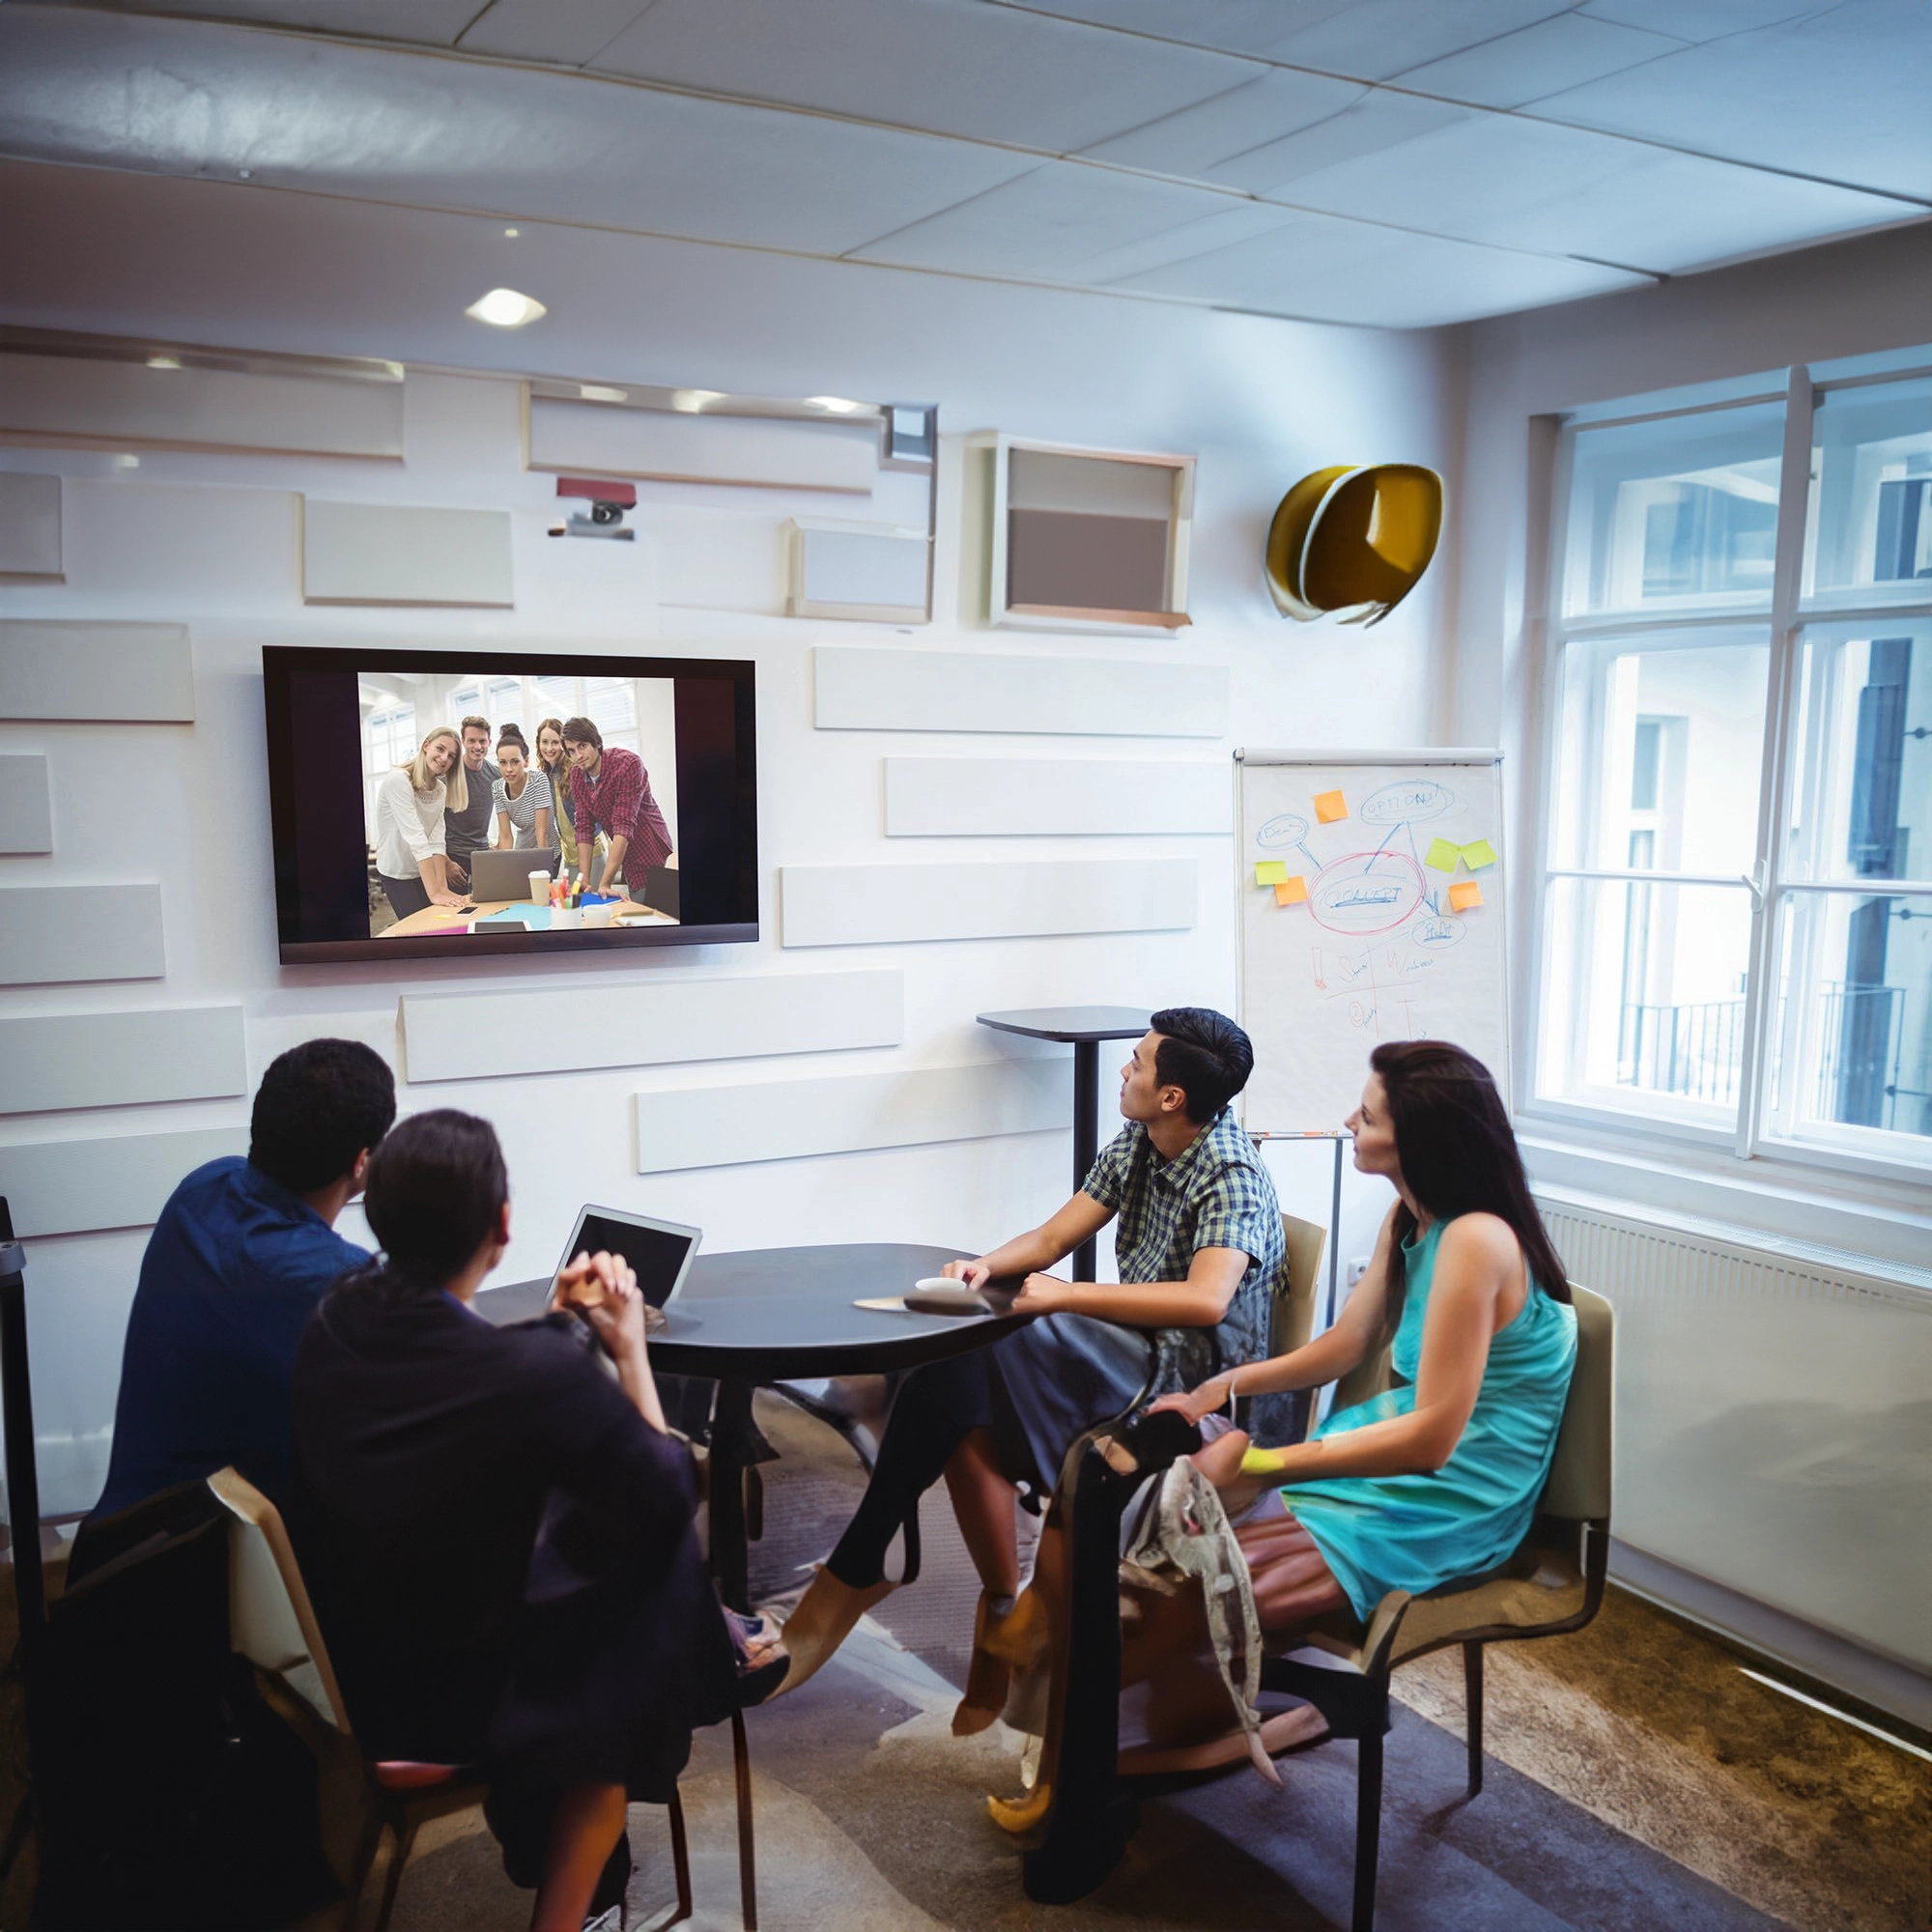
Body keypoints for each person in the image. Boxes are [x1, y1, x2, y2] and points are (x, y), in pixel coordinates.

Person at [291, 1110, 781, 1932]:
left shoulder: (336, 1319)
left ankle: (719, 1643)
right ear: (503, 1226)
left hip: (362, 1677)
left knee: (602, 1576)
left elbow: (479, 1400)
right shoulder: (533, 1371)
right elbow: (667, 1488)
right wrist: (626, 1349)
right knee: (647, 1593)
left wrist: (557, 1335)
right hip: (462, 1704)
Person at [777, 1008, 1284, 1729]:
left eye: (1139, 1063)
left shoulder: (1231, 1173)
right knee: (962, 1373)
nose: (1125, 1070)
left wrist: (1068, 1296)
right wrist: (985, 1266)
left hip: (1197, 1385)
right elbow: (1050, 1238)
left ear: (1173, 1096)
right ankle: (985, 1604)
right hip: (1134, 1347)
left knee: (976, 1362)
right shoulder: (1143, 1138)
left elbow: (1206, 1301)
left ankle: (873, 1573)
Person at [88, 1039, 396, 1522]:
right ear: (361, 1162)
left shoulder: (201, 1188)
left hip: (120, 1536)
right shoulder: (337, 1284)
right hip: (228, 1560)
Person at [559, 715, 670, 898]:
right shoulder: (577, 775)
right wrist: (584, 879)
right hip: (623, 852)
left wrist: (605, 883)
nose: (578, 756)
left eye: (582, 746)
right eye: (571, 751)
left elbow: (623, 826)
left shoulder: (628, 765)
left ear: (597, 743)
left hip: (649, 848)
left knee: (644, 907)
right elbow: (584, 827)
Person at [372, 724, 468, 920]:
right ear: (426, 746)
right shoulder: (399, 780)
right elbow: (417, 838)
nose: (444, 758)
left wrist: (442, 888)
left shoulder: (440, 789)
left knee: (439, 920)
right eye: (440, 749)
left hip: (422, 870)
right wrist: (434, 893)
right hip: (397, 872)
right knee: (418, 927)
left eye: (451, 756)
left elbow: (437, 841)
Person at [441, 714, 499, 892]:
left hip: (482, 855)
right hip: (453, 856)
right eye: (472, 741)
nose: (477, 746)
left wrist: (500, 848)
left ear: (489, 742)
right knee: (457, 907)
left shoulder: (496, 775)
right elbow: (431, 827)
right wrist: (446, 863)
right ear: (463, 742)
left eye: (482, 741)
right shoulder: (447, 775)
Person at [535, 716, 588, 876]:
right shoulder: (544, 776)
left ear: (563, 744)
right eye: (545, 742)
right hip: (570, 855)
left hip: (591, 852)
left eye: (555, 742)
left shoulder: (575, 771)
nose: (549, 748)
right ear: (538, 744)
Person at [491, 730, 555, 854]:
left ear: (526, 761)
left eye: (515, 762)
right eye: (503, 762)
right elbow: (505, 835)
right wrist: (505, 862)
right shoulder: (497, 787)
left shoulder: (538, 780)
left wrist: (544, 863)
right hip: (522, 852)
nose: (509, 769)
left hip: (547, 851)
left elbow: (542, 832)